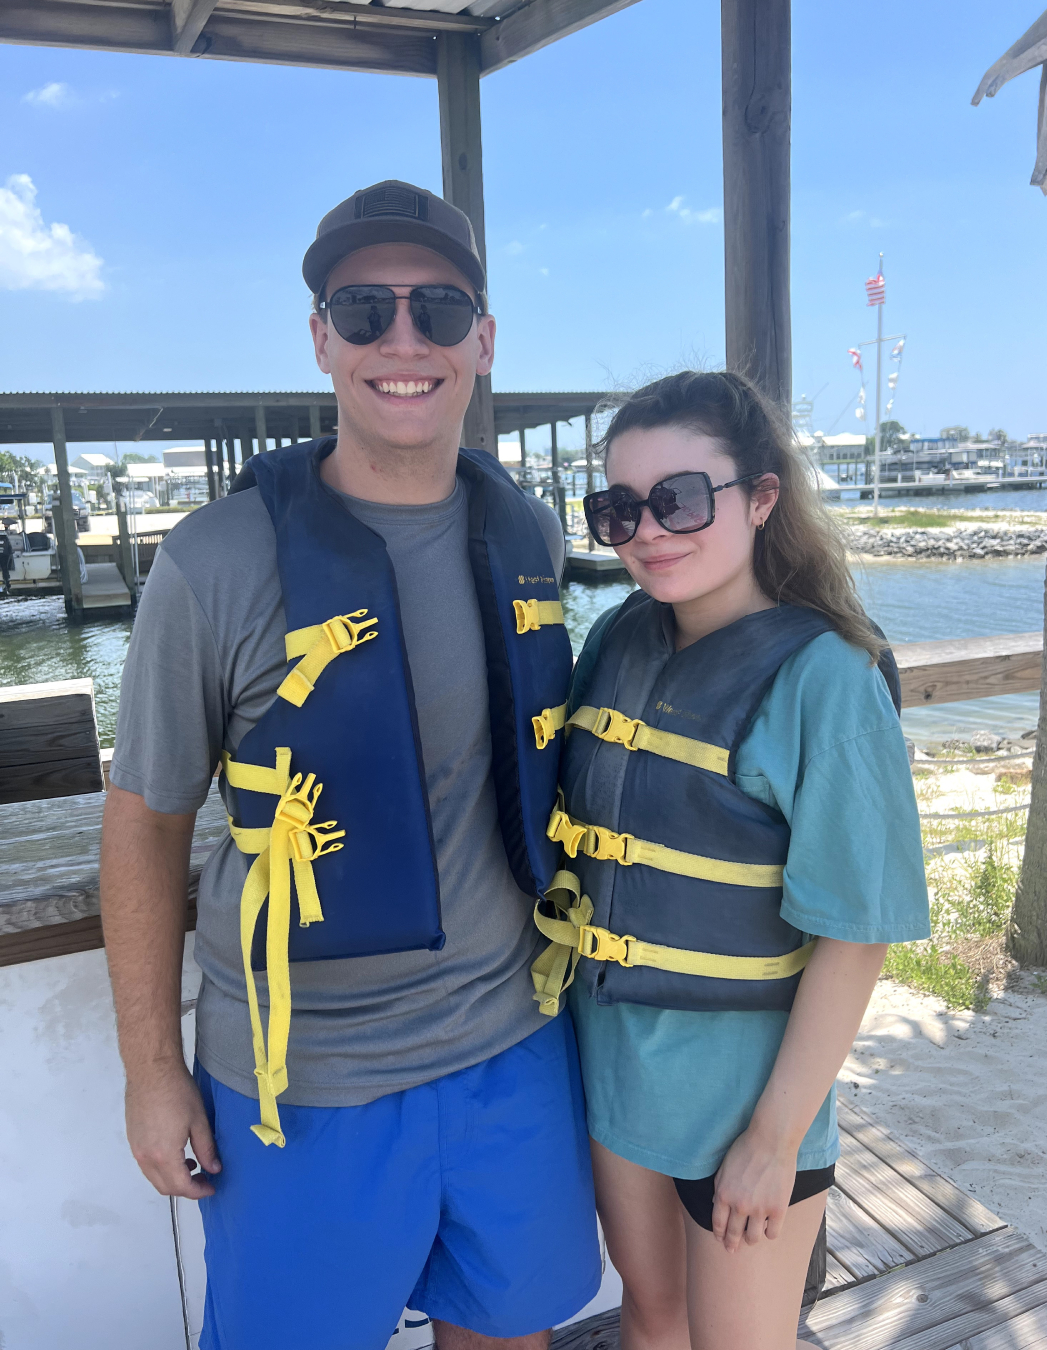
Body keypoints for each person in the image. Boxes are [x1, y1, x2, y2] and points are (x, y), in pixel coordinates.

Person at [100, 181, 601, 1350]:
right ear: (321, 339)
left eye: (439, 307)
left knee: (509, 1329)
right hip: (300, 1086)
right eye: (365, 309)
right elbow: (143, 819)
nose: (404, 340)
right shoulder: (214, 562)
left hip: (512, 1042)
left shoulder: (525, 531)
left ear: (485, 337)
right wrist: (151, 1071)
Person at [531, 370, 930, 1350]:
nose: (648, 531)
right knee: (653, 1321)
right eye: (620, 508)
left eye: (679, 498)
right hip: (619, 1069)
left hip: (749, 1098)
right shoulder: (621, 636)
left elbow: (858, 933)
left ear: (760, 497)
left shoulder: (827, 681)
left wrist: (774, 1137)